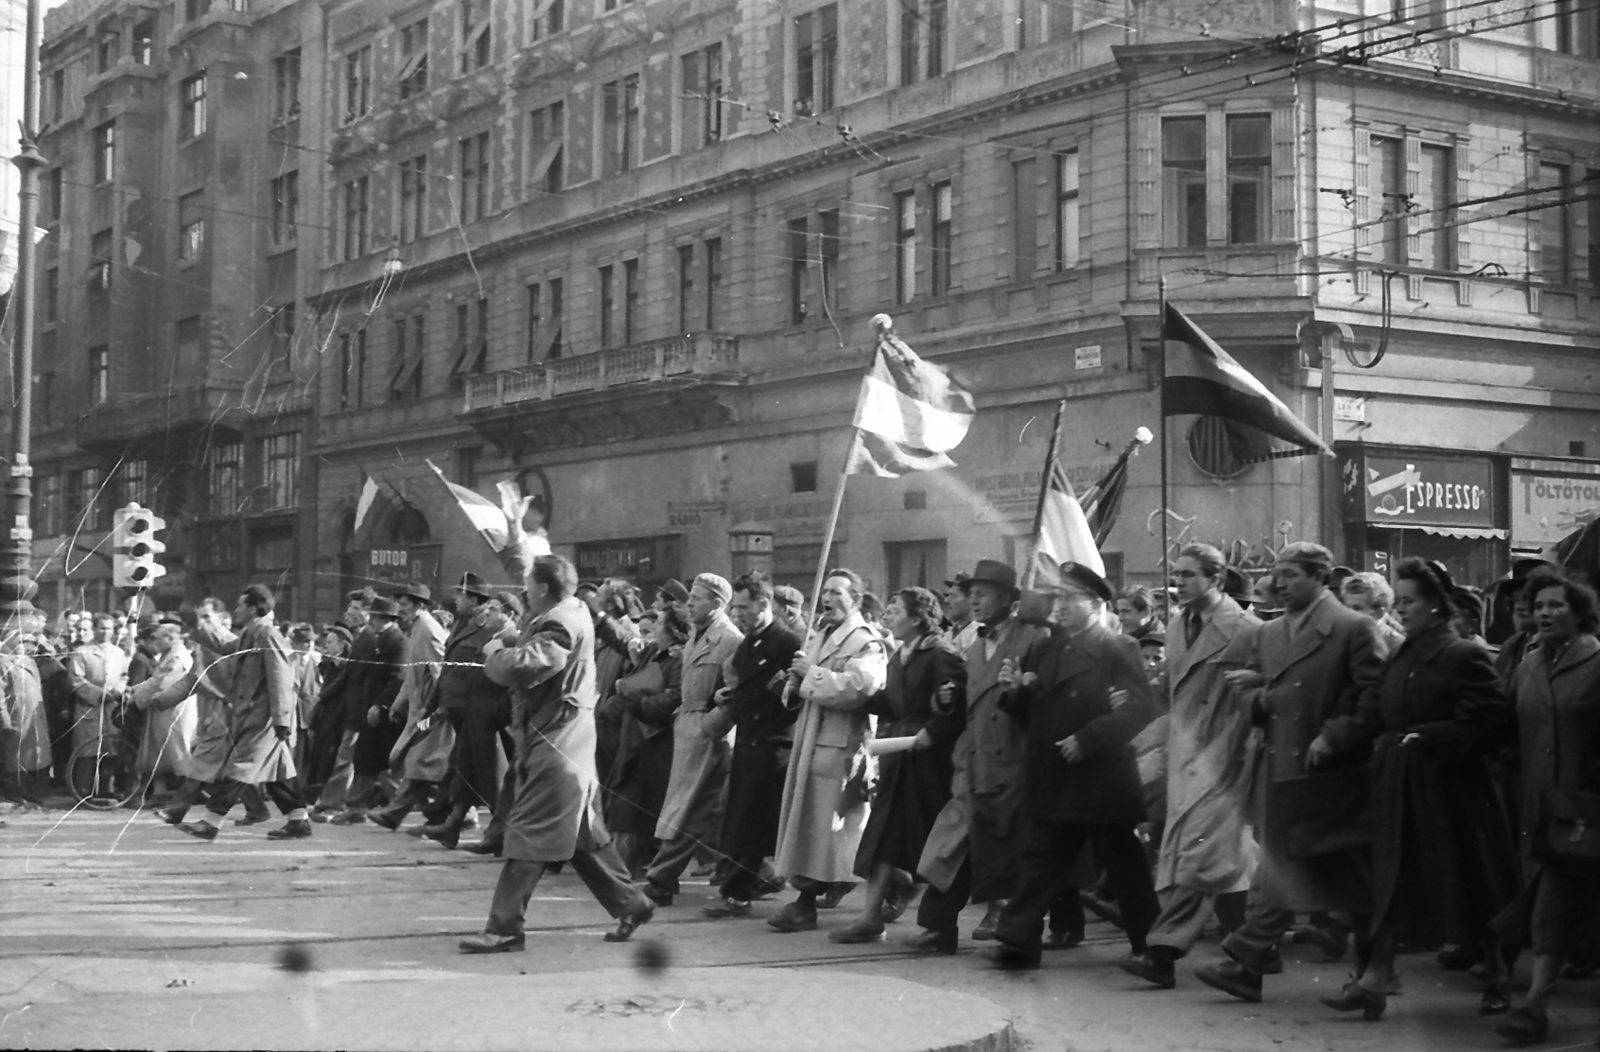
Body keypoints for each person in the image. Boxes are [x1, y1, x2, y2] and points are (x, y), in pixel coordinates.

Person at [1311, 558, 1521, 1021]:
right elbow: (1377, 707)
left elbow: (1494, 721)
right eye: (1399, 601)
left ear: (1436, 605)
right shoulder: (1403, 653)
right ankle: (1375, 980)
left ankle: (1499, 974)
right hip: (1400, 786)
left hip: (1453, 790)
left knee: (1472, 882)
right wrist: (1338, 733)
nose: (1401, 609)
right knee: (1392, 882)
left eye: (1410, 601)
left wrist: (1434, 737)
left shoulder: (1463, 654)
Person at [1195, 542, 1384, 1004]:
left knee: (1311, 872)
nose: (1279, 582)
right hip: (1280, 766)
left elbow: (1375, 696)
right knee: (1322, 874)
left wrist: (1335, 736)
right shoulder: (1270, 632)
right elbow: (1255, 688)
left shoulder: (1351, 628)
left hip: (1329, 773)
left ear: (1321, 577)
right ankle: (1368, 978)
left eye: (1291, 574)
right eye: (1276, 573)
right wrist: (1259, 700)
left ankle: (1251, 958)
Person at [458, 526, 654, 952]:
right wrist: (512, 541)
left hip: (557, 743)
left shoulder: (561, 622)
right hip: (563, 740)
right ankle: (631, 903)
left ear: (544, 589)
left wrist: (497, 653)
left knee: (528, 832)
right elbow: (530, 606)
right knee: (582, 837)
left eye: (528, 585)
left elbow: (526, 667)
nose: (523, 590)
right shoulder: (567, 607)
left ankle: (505, 927)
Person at [985, 562, 1159, 970]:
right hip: (1055, 775)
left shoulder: (1119, 648)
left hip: (1102, 779)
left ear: (1096, 604)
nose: (1058, 605)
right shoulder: (1047, 646)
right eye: (1057, 597)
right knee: (1039, 862)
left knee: (1126, 869)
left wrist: (1087, 739)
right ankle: (1018, 941)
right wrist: (1015, 693)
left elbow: (1139, 709)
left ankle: (1152, 948)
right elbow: (1037, 711)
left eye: (1068, 598)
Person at [1120, 544, 1261, 990]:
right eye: (1176, 574)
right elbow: (1174, 696)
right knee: (1223, 861)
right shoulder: (1180, 625)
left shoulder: (1246, 628)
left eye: (1188, 575)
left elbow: (1275, 684)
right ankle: (1256, 954)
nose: (1178, 582)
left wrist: (1257, 686)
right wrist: (1144, 737)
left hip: (1227, 759)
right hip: (1186, 756)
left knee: (1198, 859)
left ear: (1216, 579)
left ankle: (1161, 952)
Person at [1489, 571, 1600, 1044]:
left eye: (1556, 605)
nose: (1543, 613)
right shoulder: (1529, 664)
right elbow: (1505, 723)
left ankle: (1536, 1003)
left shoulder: (1598, 664)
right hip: (1538, 808)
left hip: (1588, 810)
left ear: (1581, 615)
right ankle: (1533, 1003)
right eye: (1538, 606)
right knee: (1551, 902)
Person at [914, 559, 1046, 952]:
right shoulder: (973, 644)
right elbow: (965, 705)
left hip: (1012, 765)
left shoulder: (1032, 639)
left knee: (1006, 854)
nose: (974, 601)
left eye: (983, 594)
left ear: (1007, 599)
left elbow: (1042, 702)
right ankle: (939, 926)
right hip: (973, 764)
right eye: (971, 594)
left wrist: (1020, 692)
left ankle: (1017, 933)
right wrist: (945, 701)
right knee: (951, 845)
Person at [833, 587, 965, 943]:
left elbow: (958, 710)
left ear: (918, 617)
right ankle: (870, 917)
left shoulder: (941, 655)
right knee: (884, 834)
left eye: (895, 609)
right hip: (898, 760)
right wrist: (853, 696)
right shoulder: (898, 655)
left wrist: (932, 733)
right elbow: (894, 704)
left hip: (930, 764)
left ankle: (982, 912)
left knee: (938, 842)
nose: (888, 614)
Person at [768, 568, 889, 933]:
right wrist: (791, 683)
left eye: (837, 592)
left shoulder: (865, 641)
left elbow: (859, 689)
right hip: (811, 742)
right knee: (816, 829)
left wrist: (811, 675)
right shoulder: (821, 634)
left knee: (828, 831)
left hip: (839, 747)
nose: (828, 598)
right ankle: (880, 885)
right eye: (825, 592)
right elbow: (805, 688)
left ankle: (807, 902)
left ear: (856, 598)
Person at [177, 585, 313, 841]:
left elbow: (280, 679)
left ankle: (210, 822)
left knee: (239, 767)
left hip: (266, 718)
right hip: (260, 716)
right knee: (280, 773)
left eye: (240, 605)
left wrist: (282, 720)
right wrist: (197, 626)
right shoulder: (254, 633)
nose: (236, 610)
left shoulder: (268, 634)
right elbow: (229, 645)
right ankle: (299, 821)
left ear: (253, 608)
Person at [705, 570, 803, 917]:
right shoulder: (748, 645)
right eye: (736, 608)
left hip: (773, 745)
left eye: (744, 608)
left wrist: (788, 687)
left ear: (764, 604)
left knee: (756, 822)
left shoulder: (789, 643)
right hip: (747, 740)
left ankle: (738, 892)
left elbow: (794, 701)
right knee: (746, 821)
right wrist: (725, 695)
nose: (738, 614)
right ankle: (741, 887)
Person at [643, 573, 743, 905]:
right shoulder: (697, 636)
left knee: (690, 809)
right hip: (687, 727)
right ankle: (761, 872)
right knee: (702, 810)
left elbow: (733, 694)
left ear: (717, 603)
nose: (689, 603)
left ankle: (660, 878)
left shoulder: (729, 639)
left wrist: (713, 726)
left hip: (708, 733)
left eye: (697, 598)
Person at [414, 573, 509, 849]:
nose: (455, 599)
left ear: (473, 598)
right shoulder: (461, 625)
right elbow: (447, 672)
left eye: (460, 595)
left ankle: (498, 832)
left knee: (487, 772)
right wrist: (432, 706)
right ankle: (453, 826)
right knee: (464, 768)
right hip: (459, 709)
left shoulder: (493, 625)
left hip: (479, 710)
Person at [605, 605, 683, 876]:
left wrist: (636, 701)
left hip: (656, 744)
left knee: (639, 809)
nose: (654, 630)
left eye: (659, 624)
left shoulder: (679, 660)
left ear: (672, 632)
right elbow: (623, 641)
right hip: (633, 741)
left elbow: (673, 698)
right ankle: (622, 869)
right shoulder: (653, 653)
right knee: (625, 807)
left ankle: (624, 871)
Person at [370, 583, 450, 829]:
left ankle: (395, 813)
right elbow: (411, 674)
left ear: (419, 606)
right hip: (419, 708)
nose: (401, 610)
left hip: (431, 710)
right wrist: (397, 704)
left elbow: (440, 671)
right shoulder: (416, 629)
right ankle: (450, 814)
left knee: (419, 762)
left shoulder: (429, 629)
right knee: (420, 763)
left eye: (405, 605)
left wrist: (437, 706)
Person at [329, 596, 407, 824]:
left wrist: (379, 705)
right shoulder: (381, 639)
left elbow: (397, 678)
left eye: (373, 616)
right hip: (372, 713)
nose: (369, 620)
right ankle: (357, 808)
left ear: (384, 618)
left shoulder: (398, 642)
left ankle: (398, 807)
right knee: (367, 761)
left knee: (384, 765)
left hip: (385, 714)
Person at [128, 622, 197, 800]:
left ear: (171, 638)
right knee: (159, 753)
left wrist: (138, 695)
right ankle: (160, 793)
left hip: (174, 713)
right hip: (163, 712)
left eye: (158, 638)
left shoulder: (177, 658)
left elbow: (164, 684)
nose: (155, 642)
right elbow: (155, 680)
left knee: (177, 754)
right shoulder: (169, 656)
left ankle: (185, 795)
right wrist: (136, 691)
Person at [66, 612, 130, 797]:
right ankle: (83, 791)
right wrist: (100, 694)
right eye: (101, 628)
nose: (105, 632)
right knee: (87, 750)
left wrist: (117, 690)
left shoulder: (118, 653)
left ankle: (106, 790)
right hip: (89, 707)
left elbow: (124, 675)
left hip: (111, 708)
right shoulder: (82, 652)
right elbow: (76, 680)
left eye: (109, 628)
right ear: (94, 629)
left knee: (109, 749)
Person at [0, 628, 50, 810]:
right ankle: (14, 794)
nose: (23, 646)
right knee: (15, 756)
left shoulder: (28, 661)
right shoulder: (2, 662)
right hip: (16, 717)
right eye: (19, 641)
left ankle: (29, 793)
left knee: (32, 756)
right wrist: (4, 718)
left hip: (32, 716)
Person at [1340, 572, 1405, 658]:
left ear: (1378, 612)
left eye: (1357, 608)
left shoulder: (1396, 645)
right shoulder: (1340, 639)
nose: (1349, 614)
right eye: (1347, 607)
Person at [944, 573, 978, 654]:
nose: (946, 600)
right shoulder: (948, 636)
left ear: (969, 600)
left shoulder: (978, 636)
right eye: (948, 595)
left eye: (953, 596)